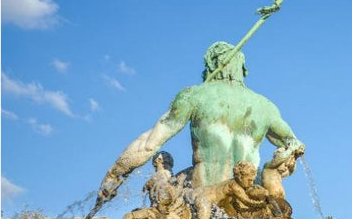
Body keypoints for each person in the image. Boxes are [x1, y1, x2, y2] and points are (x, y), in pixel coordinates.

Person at [96, 42, 305, 207]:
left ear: (212, 65)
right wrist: (283, 164)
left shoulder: (194, 95)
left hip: (205, 194)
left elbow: (148, 146)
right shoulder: (266, 107)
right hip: (252, 194)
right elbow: (293, 144)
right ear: (241, 68)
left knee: (165, 193)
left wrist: (113, 177)